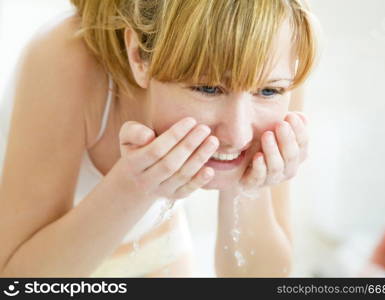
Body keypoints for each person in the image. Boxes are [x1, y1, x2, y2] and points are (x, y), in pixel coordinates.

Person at [0, 0, 319, 277]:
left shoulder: (280, 53)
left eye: (268, 91)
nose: (238, 134)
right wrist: (133, 186)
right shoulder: (66, 58)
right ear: (139, 56)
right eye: (207, 89)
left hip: (153, 250)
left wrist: (250, 187)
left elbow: (254, 282)